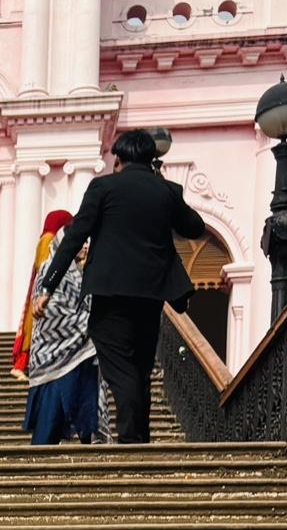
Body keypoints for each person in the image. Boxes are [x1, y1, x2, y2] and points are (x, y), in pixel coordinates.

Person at [34, 129, 207, 445]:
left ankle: (131, 439)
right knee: (140, 366)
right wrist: (162, 188)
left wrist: (47, 287)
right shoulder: (166, 190)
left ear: (119, 159)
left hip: (110, 289)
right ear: (151, 160)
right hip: (152, 292)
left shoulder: (103, 187)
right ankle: (139, 437)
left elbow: (75, 237)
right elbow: (194, 228)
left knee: (119, 364)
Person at [18, 212, 102, 446]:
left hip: (79, 355)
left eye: (85, 242)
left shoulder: (79, 273)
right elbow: (50, 311)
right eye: (79, 242)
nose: (84, 246)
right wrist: (86, 323)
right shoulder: (50, 270)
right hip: (53, 355)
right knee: (50, 415)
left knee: (85, 407)